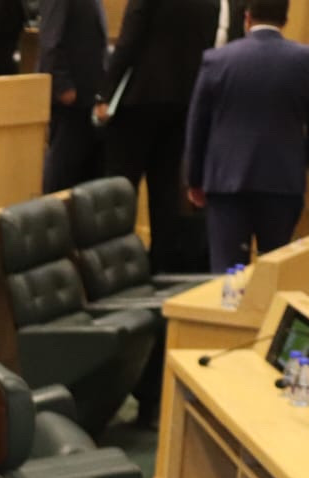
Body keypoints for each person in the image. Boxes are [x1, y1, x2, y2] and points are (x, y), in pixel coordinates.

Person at [185, 0, 309, 271]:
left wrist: (194, 179)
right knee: (274, 271)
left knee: (228, 275)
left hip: (225, 183)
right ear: (285, 21)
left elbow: (197, 125)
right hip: (282, 182)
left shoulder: (216, 60)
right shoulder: (308, 61)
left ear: (247, 18)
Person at [94, 0, 218, 273]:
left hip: (138, 100)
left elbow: (128, 43)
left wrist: (104, 93)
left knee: (121, 188)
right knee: (165, 188)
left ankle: (117, 266)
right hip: (183, 100)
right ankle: (162, 267)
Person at [38, 0, 107, 192]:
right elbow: (50, 42)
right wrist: (62, 85)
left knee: (85, 175)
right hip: (70, 98)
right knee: (62, 173)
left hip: (88, 96)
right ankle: (54, 210)